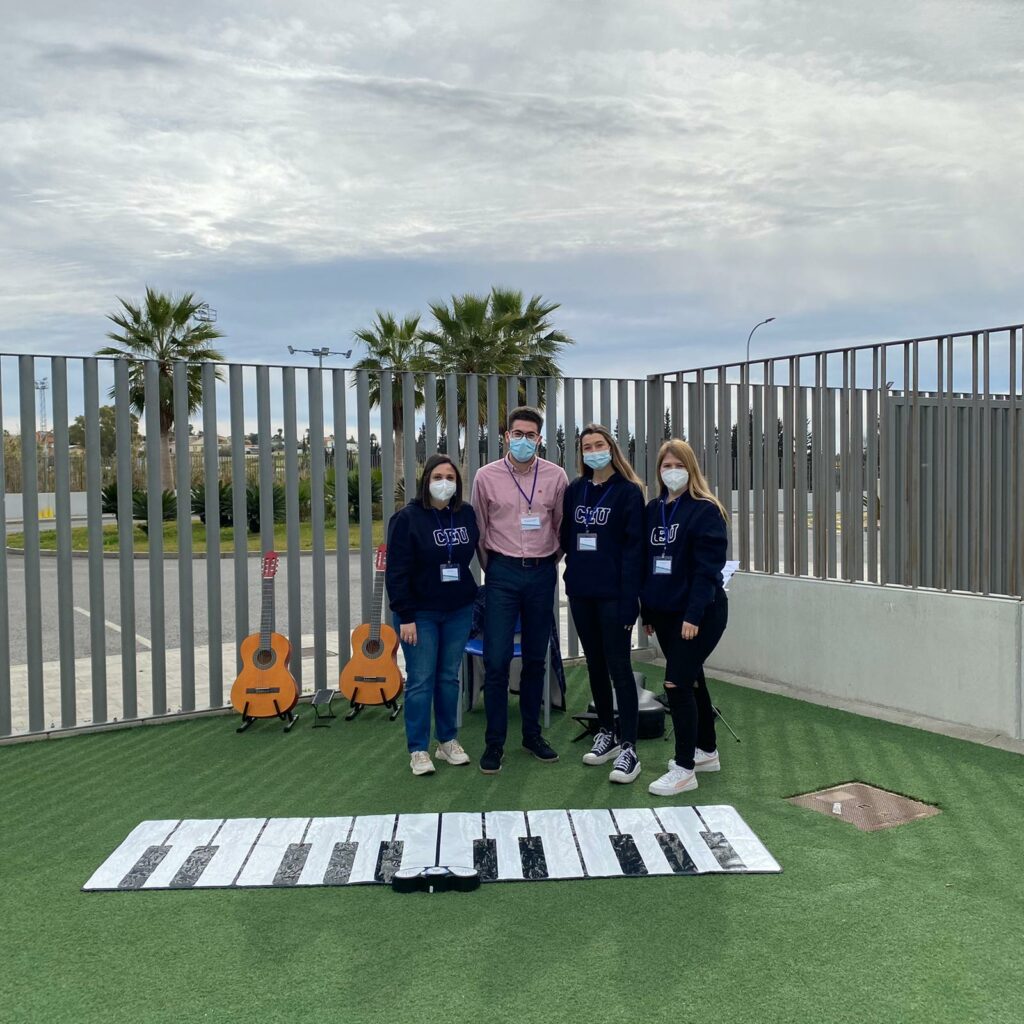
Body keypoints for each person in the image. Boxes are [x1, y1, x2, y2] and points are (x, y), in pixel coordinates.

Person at [471, 406, 568, 774]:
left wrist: (548, 560)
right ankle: (494, 743)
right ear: (506, 436)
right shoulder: (486, 477)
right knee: (496, 661)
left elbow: (561, 527)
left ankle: (532, 735)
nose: (523, 440)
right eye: (517, 434)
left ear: (539, 439)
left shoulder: (556, 476)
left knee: (535, 659)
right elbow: (479, 529)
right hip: (502, 574)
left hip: (542, 573)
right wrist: (495, 568)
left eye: (530, 435)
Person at [640, 439, 729, 796]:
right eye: (667, 465)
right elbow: (648, 563)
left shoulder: (706, 510)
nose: (672, 471)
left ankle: (684, 769)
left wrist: (693, 615)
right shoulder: (653, 509)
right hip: (663, 612)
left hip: (700, 613)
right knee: (693, 680)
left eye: (679, 465)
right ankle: (707, 750)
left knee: (676, 683)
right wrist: (647, 610)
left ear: (690, 469)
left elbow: (708, 570)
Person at [560, 423, 645, 783]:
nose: (593, 451)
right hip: (582, 593)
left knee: (619, 667)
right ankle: (606, 732)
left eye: (599, 444)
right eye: (587, 446)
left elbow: (635, 552)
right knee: (594, 664)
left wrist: (630, 603)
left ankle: (629, 748)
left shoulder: (628, 492)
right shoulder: (575, 489)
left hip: (614, 596)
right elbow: (566, 536)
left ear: (611, 448)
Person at [385, 453, 480, 776]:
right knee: (421, 680)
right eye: (438, 477)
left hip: (458, 610)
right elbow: (396, 572)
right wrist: (405, 616)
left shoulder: (465, 514)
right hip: (420, 614)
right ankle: (418, 748)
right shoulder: (407, 519)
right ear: (426, 480)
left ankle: (447, 740)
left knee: (449, 677)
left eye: (450, 478)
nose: (444, 483)